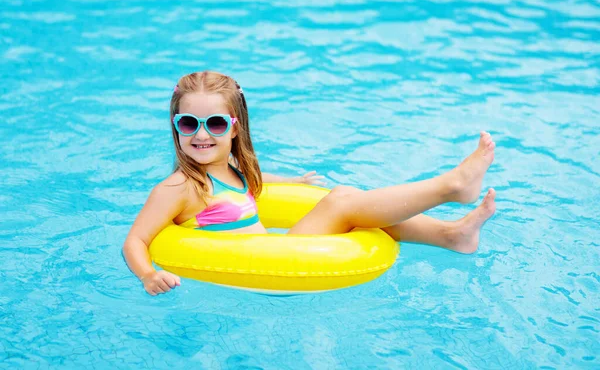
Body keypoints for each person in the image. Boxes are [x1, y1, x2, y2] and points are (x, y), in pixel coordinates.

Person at [123, 71, 496, 296]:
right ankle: (452, 185)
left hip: (272, 248)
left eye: (215, 124)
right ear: (175, 127)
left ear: (235, 128)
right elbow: (135, 239)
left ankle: (451, 235)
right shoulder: (179, 188)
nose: (201, 135)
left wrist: (292, 181)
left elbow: (252, 182)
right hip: (264, 268)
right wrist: (148, 275)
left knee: (346, 198)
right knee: (343, 203)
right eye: (189, 123)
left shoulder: (233, 169)